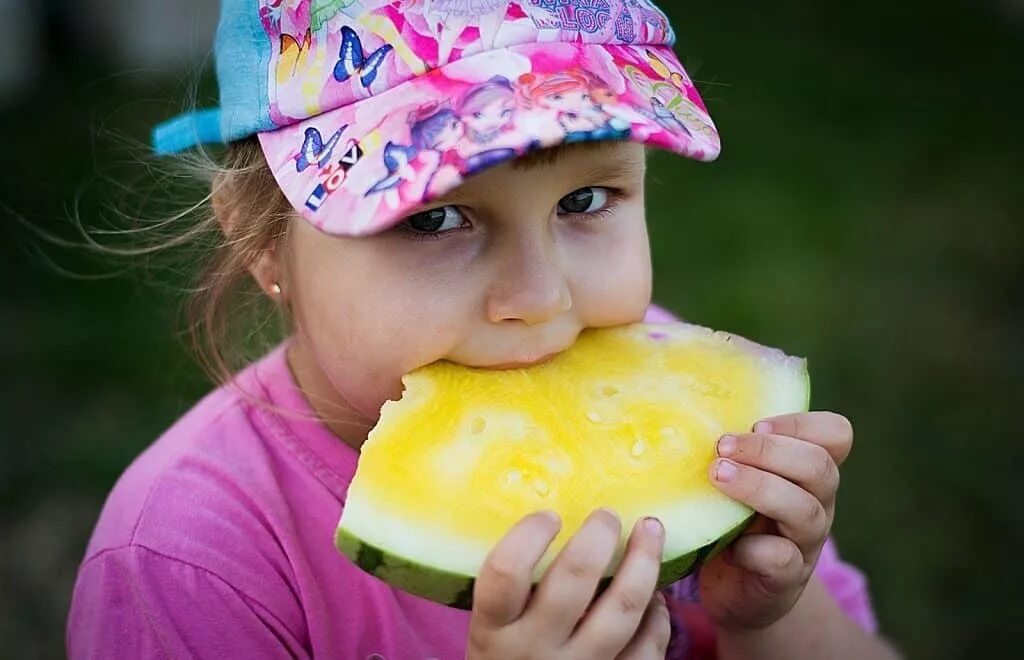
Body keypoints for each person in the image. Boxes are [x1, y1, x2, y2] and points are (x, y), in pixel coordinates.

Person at [68, 1, 901, 658]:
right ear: (260, 241)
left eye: (584, 201)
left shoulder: (667, 390)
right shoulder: (189, 563)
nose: (538, 300)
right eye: (436, 221)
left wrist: (773, 621)